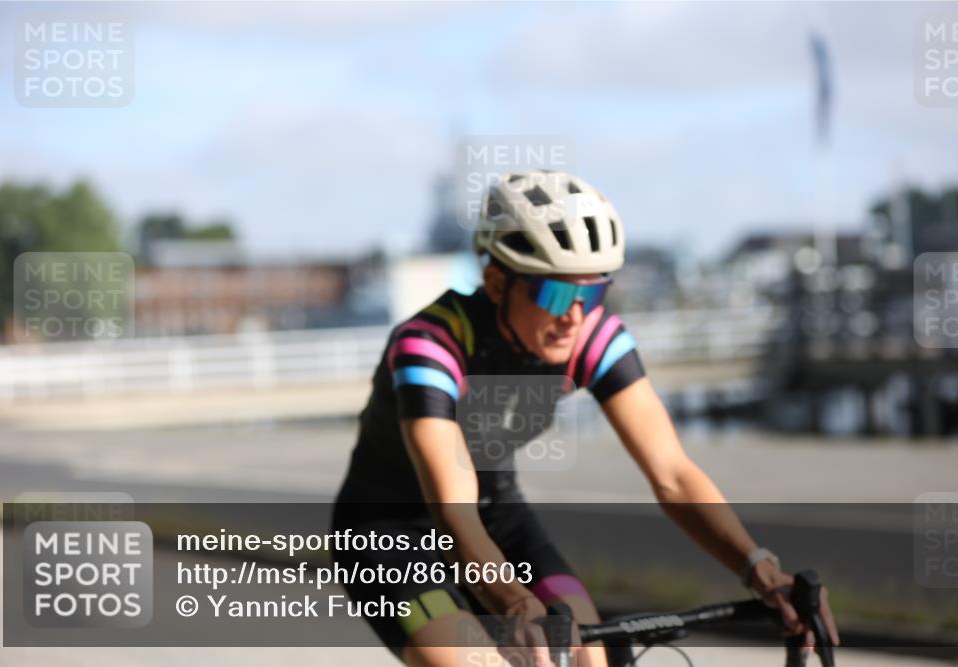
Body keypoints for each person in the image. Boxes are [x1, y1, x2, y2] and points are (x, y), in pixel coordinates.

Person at [331, 170, 839, 666]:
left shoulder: (590, 337)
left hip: (500, 517)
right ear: (494, 280)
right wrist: (514, 603)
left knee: (587, 657)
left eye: (592, 292)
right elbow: (452, 512)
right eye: (554, 293)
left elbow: (673, 475)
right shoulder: (432, 345)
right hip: (390, 535)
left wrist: (758, 567)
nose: (574, 314)